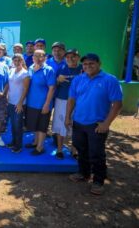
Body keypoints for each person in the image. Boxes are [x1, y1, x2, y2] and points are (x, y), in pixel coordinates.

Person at [66, 53, 122, 195]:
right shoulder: (78, 79)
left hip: (97, 124)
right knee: (81, 149)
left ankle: (98, 181)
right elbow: (71, 99)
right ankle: (83, 173)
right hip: (78, 121)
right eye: (85, 64)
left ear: (99, 64)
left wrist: (106, 123)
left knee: (96, 153)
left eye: (91, 64)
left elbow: (117, 104)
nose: (88, 66)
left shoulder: (110, 80)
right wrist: (67, 117)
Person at [25, 49, 56, 155]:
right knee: (35, 125)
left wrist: (47, 104)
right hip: (31, 103)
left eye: (40, 56)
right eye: (36, 56)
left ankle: (40, 147)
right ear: (32, 57)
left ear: (45, 57)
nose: (38, 58)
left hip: (43, 105)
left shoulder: (49, 70)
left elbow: (52, 88)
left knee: (42, 127)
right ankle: (35, 142)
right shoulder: (30, 68)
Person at [52, 49, 82, 159]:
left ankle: (74, 150)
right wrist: (58, 80)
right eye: (68, 57)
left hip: (77, 101)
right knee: (60, 125)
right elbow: (53, 84)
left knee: (75, 126)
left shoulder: (82, 69)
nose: (70, 59)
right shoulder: (62, 68)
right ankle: (59, 149)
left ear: (78, 57)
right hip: (62, 100)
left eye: (73, 56)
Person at [7, 54, 30, 153]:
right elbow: (9, 85)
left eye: (18, 60)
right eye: (15, 60)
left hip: (19, 103)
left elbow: (26, 89)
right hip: (11, 102)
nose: (16, 62)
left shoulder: (25, 73)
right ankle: (13, 141)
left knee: (18, 125)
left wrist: (20, 103)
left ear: (22, 61)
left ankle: (18, 146)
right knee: (13, 124)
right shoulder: (11, 70)